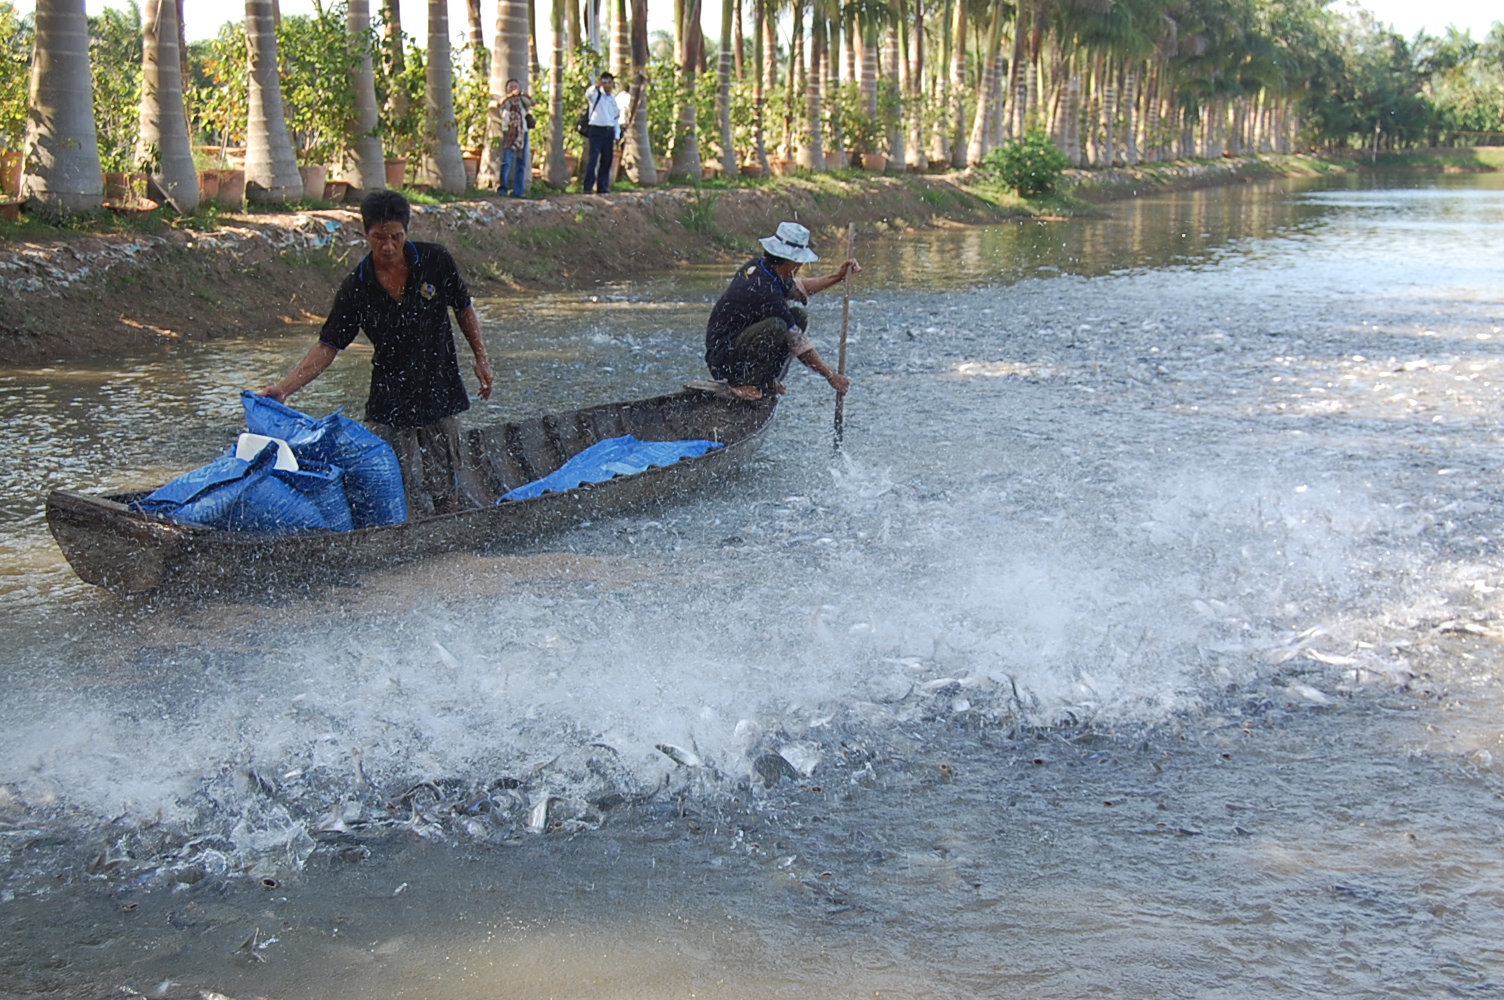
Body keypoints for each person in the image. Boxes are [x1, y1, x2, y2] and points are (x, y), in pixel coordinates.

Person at [260, 190, 494, 518]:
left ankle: (446, 529)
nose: (387, 246)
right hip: (390, 395)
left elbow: (463, 308)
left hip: (438, 385)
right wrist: (284, 388)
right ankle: (400, 534)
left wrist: (481, 358)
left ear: (406, 233)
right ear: (366, 234)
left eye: (396, 237)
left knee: (444, 480)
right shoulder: (357, 286)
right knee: (388, 481)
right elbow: (328, 347)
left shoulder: (435, 261)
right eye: (378, 237)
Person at [705, 221, 861, 402]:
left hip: (739, 345)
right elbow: (798, 342)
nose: (801, 265)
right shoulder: (763, 288)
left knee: (798, 315)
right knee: (777, 327)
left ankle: (765, 379)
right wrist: (830, 376)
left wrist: (837, 277)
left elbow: (798, 288)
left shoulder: (766, 269)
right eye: (799, 261)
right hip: (724, 358)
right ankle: (743, 382)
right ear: (790, 261)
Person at [582, 71, 621, 195]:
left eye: (610, 82)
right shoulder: (596, 95)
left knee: (607, 159)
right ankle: (588, 186)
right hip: (596, 129)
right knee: (593, 158)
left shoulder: (612, 99)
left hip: (608, 131)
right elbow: (588, 94)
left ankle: (602, 186)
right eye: (605, 82)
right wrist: (596, 86)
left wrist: (617, 135)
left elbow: (615, 118)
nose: (608, 85)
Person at [497, 78, 533, 198]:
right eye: (511, 87)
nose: (513, 89)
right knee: (506, 161)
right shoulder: (505, 102)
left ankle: (518, 191)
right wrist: (509, 96)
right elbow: (499, 105)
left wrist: (525, 95)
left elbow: (533, 103)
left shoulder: (522, 101)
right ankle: (503, 188)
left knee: (521, 163)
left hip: (522, 134)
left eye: (515, 86)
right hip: (509, 133)